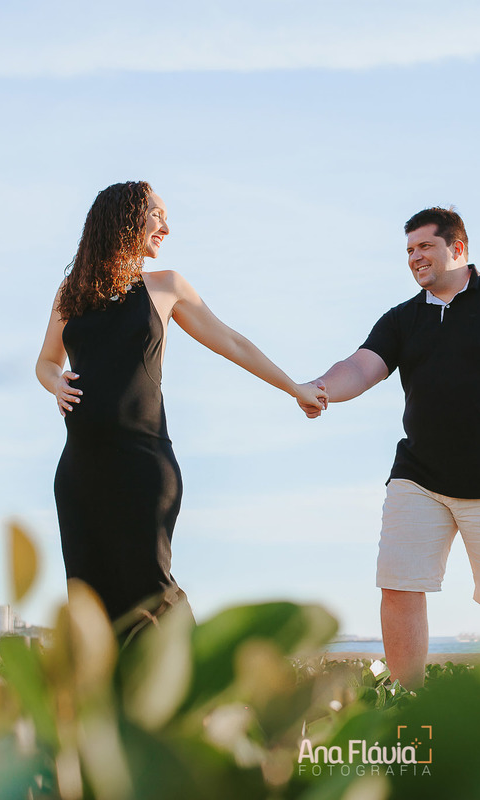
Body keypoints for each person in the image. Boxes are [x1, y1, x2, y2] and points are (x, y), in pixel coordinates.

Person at [297, 207, 480, 688]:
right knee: (399, 586)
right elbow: (360, 367)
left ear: (457, 248)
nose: (415, 258)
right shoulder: (402, 319)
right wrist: (321, 388)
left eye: (425, 246)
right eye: (409, 250)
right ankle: (408, 705)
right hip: (418, 478)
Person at [36, 180, 327, 629]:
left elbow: (232, 342)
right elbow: (46, 363)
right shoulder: (72, 292)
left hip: (143, 465)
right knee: (89, 603)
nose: (166, 227)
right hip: (80, 471)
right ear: (124, 218)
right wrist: (56, 383)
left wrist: (294, 387)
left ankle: (196, 672)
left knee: (152, 594)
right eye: (157, 215)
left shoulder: (165, 287)